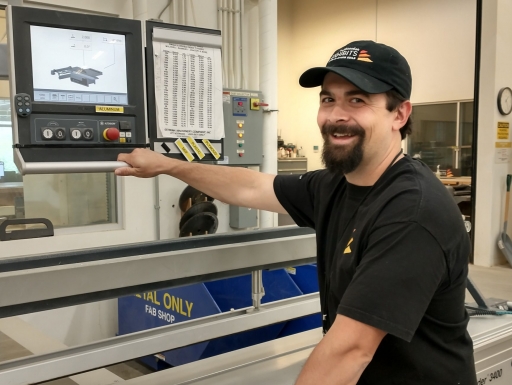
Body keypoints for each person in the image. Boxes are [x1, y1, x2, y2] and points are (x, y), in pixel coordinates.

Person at [115, 40, 477, 385]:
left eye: (357, 100)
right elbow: (250, 186)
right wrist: (168, 165)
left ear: (399, 113)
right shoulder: (336, 184)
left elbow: (349, 351)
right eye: (328, 99)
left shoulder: (410, 213)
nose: (336, 115)